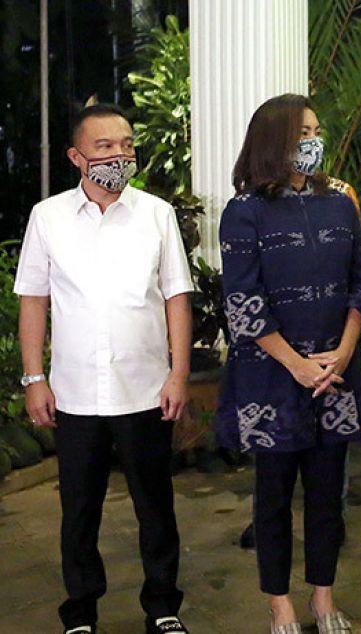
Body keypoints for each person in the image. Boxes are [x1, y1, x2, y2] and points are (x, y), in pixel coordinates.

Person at [15, 103, 193, 634]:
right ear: (76, 157)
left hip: (144, 390)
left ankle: (162, 607)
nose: (120, 154)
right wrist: (33, 378)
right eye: (105, 146)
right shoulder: (48, 218)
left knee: (156, 508)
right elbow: (33, 300)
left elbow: (176, 298)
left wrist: (178, 373)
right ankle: (81, 612)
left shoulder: (156, 215)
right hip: (74, 394)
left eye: (126, 144)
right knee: (79, 513)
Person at [216, 94, 361, 634]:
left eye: (316, 129)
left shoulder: (339, 203)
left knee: (329, 495)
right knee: (274, 498)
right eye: (302, 131)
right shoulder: (244, 212)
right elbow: (242, 300)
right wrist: (296, 365)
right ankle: (279, 602)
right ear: (276, 140)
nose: (313, 140)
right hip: (273, 381)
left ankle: (322, 599)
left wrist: (346, 350)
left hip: (335, 371)